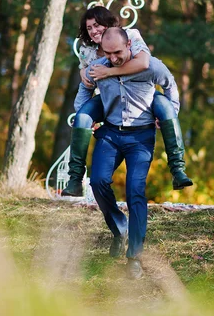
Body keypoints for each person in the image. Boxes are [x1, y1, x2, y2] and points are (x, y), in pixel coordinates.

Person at [75, 27, 180, 278]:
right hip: (110, 133)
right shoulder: (99, 67)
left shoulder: (150, 66)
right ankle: (119, 226)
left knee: (135, 191)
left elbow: (170, 85)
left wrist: (170, 112)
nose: (113, 58)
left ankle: (134, 256)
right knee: (97, 181)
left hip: (141, 136)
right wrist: (87, 117)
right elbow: (83, 92)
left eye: (118, 52)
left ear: (129, 45)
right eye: (108, 53)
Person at [61, 6, 192, 196]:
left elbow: (144, 63)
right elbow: (86, 82)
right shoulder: (86, 50)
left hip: (141, 94)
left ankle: (178, 169)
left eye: (97, 25)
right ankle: (75, 179)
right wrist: (88, 114)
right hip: (109, 99)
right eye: (89, 28)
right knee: (81, 117)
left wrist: (109, 71)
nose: (93, 30)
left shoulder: (130, 35)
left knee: (165, 106)